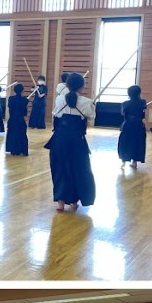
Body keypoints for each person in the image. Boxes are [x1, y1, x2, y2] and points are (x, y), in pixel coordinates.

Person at [45, 71, 96, 212]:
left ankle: (60, 202)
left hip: (59, 138)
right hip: (76, 140)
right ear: (82, 86)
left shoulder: (60, 99)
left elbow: (56, 115)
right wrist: (92, 105)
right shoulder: (86, 102)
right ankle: (74, 201)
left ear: (67, 85)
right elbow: (91, 117)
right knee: (78, 169)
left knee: (60, 168)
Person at [117, 85, 147, 168]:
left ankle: (123, 161)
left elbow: (123, 114)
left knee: (125, 142)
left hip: (128, 124)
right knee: (137, 142)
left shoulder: (125, 104)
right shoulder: (143, 102)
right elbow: (143, 114)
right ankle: (134, 162)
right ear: (139, 93)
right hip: (139, 125)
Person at [5, 84, 29, 156]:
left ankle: (13, 149)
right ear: (22, 91)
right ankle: (21, 150)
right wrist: (25, 102)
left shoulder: (11, 98)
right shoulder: (24, 100)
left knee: (13, 134)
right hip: (20, 120)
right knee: (21, 135)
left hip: (12, 120)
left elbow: (10, 107)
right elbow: (25, 112)